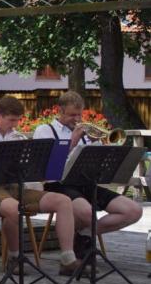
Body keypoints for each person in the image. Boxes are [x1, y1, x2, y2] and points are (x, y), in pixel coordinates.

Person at [0, 96, 82, 275]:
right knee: (13, 208)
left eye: (17, 120)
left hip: (15, 187)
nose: (15, 125)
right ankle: (15, 257)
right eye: (12, 120)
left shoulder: (15, 136)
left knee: (63, 201)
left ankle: (68, 259)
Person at [33, 91, 142, 259]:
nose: (77, 119)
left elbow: (99, 162)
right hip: (57, 185)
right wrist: (73, 141)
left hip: (85, 183)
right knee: (87, 213)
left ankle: (84, 234)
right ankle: (80, 246)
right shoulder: (45, 130)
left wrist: (100, 147)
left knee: (133, 211)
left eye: (79, 114)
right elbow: (46, 165)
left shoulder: (85, 133)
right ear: (60, 111)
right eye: (71, 115)